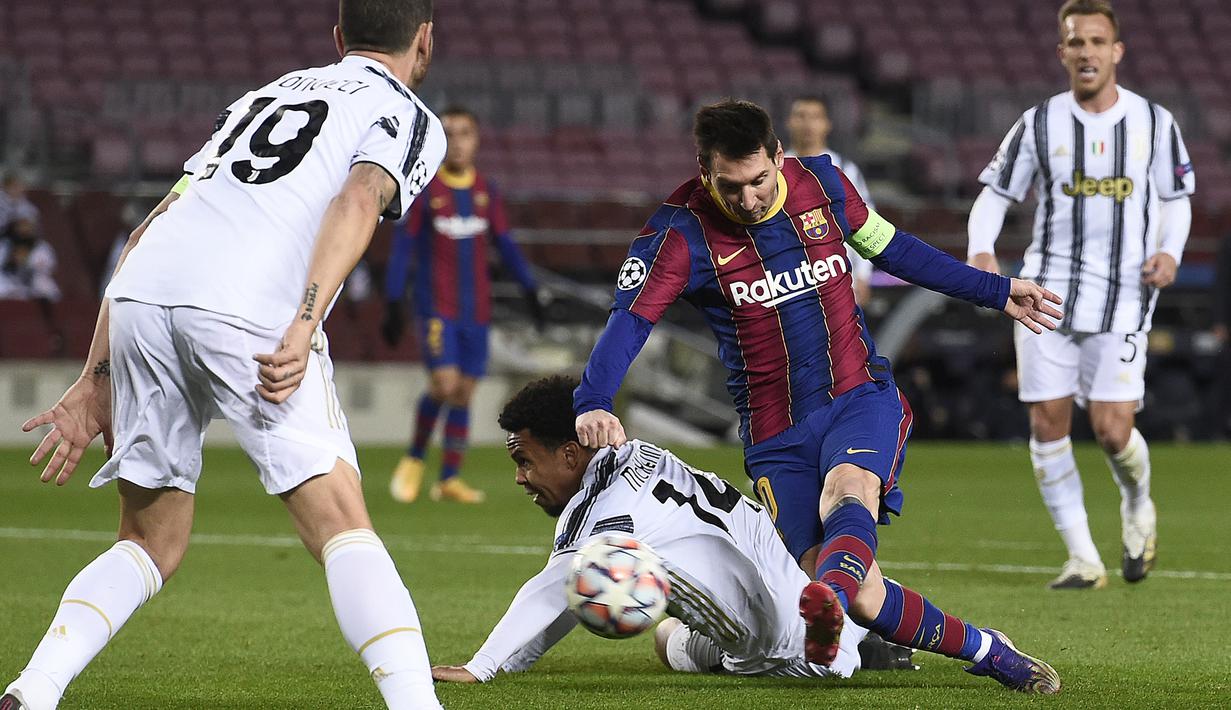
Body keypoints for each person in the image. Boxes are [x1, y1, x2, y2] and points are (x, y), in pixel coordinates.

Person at [3, 2, 447, 708]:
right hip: (249, 309)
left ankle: (35, 687)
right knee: (339, 521)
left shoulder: (264, 95)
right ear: (424, 41)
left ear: (337, 38)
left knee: (150, 540)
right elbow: (360, 200)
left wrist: (95, 375)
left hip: (143, 296)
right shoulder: (407, 112)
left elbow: (157, 219)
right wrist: (303, 323)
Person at [571, 98, 1063, 693]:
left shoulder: (824, 185)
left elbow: (894, 249)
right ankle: (988, 649)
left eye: (759, 181)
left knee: (847, 492)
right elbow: (631, 319)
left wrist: (996, 290)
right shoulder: (679, 233)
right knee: (865, 594)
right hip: (776, 436)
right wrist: (593, 399)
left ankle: (826, 597)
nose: (749, 199)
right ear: (705, 172)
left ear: (779, 157)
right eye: (731, 187)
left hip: (857, 394)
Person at [430, 375, 915, 685]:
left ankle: (848, 646)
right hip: (815, 590)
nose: (520, 478)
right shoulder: (637, 455)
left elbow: (554, 589)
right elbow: (568, 590)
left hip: (796, 655)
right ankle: (865, 629)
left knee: (663, 633)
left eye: (525, 461)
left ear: (570, 454)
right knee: (668, 630)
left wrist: (483, 666)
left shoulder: (599, 515)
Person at [966, 0, 1194, 590]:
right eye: (1076, 42)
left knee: (1115, 430)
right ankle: (1083, 559)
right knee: (1048, 421)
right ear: (1061, 52)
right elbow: (995, 193)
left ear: (1117, 51)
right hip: (1047, 292)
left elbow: (1175, 198)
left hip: (1125, 294)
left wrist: (1170, 250)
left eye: (1097, 41)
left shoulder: (1155, 122)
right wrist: (981, 249)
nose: (1086, 51)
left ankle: (1138, 503)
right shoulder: (1038, 122)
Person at [382, 105, 543, 504]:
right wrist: (392, 300)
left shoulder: (486, 191)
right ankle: (415, 459)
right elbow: (402, 249)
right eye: (448, 134)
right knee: (444, 383)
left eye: (464, 133)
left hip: (477, 311)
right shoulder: (425, 192)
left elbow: (505, 244)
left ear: (476, 140)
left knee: (464, 392)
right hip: (436, 308)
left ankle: (449, 479)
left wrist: (531, 291)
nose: (456, 142)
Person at [786, 95, 875, 305]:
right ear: (789, 122)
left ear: (827, 125)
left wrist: (863, 275)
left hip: (841, 279)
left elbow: (866, 223)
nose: (808, 124)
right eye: (801, 116)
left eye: (815, 117)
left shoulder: (844, 169)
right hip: (793, 281)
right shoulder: (776, 170)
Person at [0, 218, 60, 302]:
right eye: (21, 226)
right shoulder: (5, 244)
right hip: (8, 279)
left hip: (32, 279)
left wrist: (27, 262)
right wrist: (11, 261)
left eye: (28, 226)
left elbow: (50, 266)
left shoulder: (41, 246)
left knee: (47, 288)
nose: (25, 229)